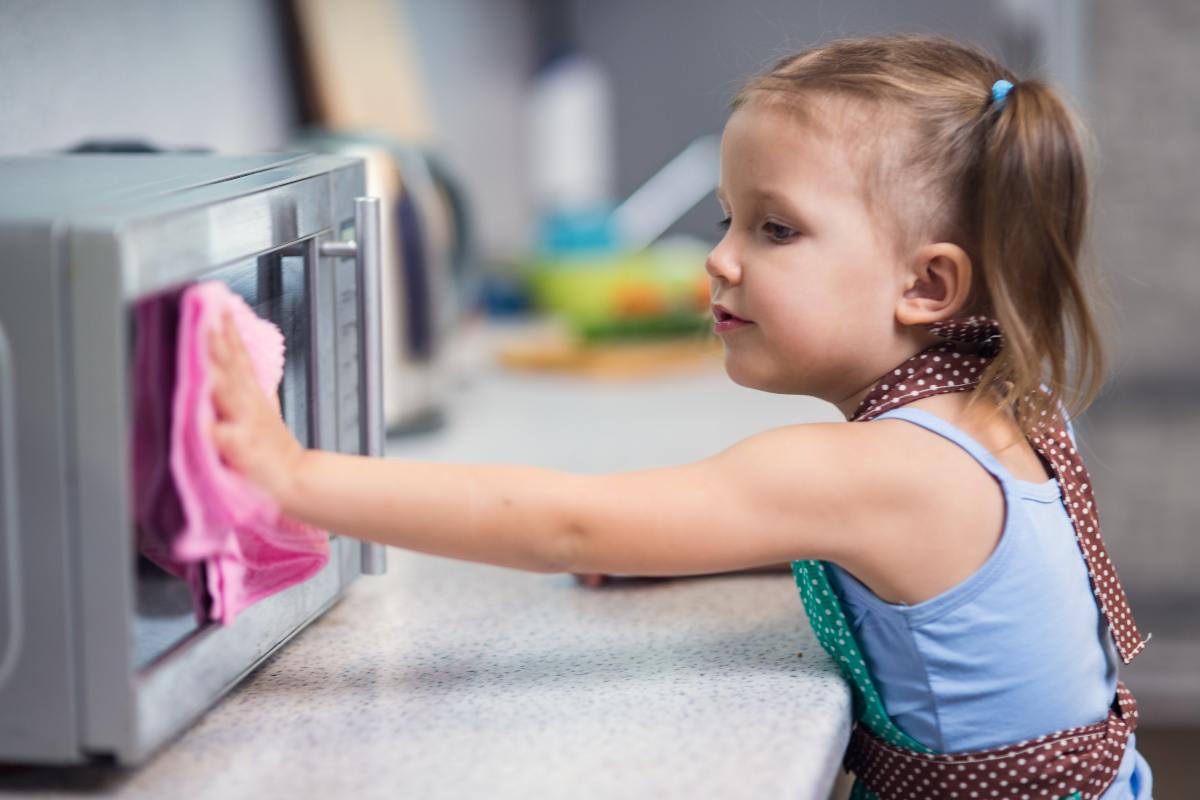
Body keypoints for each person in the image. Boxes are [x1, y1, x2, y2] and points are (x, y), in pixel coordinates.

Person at [207, 33, 1151, 800]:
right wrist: (690, 538)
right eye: (725, 223)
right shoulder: (999, 408)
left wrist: (295, 477)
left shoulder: (876, 470)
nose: (722, 261)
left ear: (926, 285)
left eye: (775, 229)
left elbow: (567, 521)